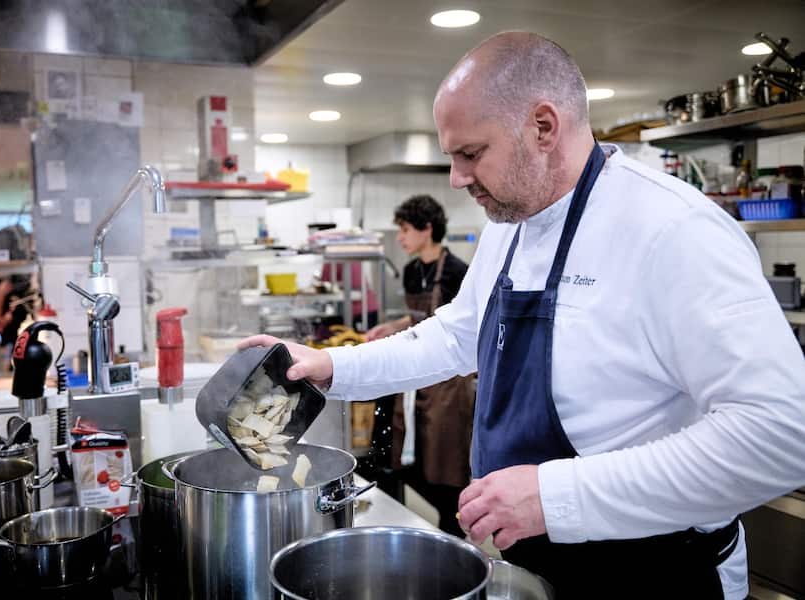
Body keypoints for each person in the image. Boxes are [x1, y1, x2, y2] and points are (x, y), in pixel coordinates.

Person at [240, 32, 805, 599]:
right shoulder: (510, 225)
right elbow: (458, 334)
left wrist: (557, 497)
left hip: (657, 574)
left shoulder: (673, 230)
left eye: (470, 153)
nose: (457, 178)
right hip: (538, 563)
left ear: (543, 127)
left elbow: (782, 433)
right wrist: (333, 367)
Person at [360, 194, 472, 536]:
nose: (400, 238)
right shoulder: (411, 271)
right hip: (415, 377)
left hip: (448, 385)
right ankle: (416, 528)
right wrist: (391, 327)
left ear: (427, 229)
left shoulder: (457, 272)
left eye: (405, 229)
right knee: (409, 457)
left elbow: (462, 327)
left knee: (444, 462)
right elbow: (418, 319)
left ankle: (453, 532)